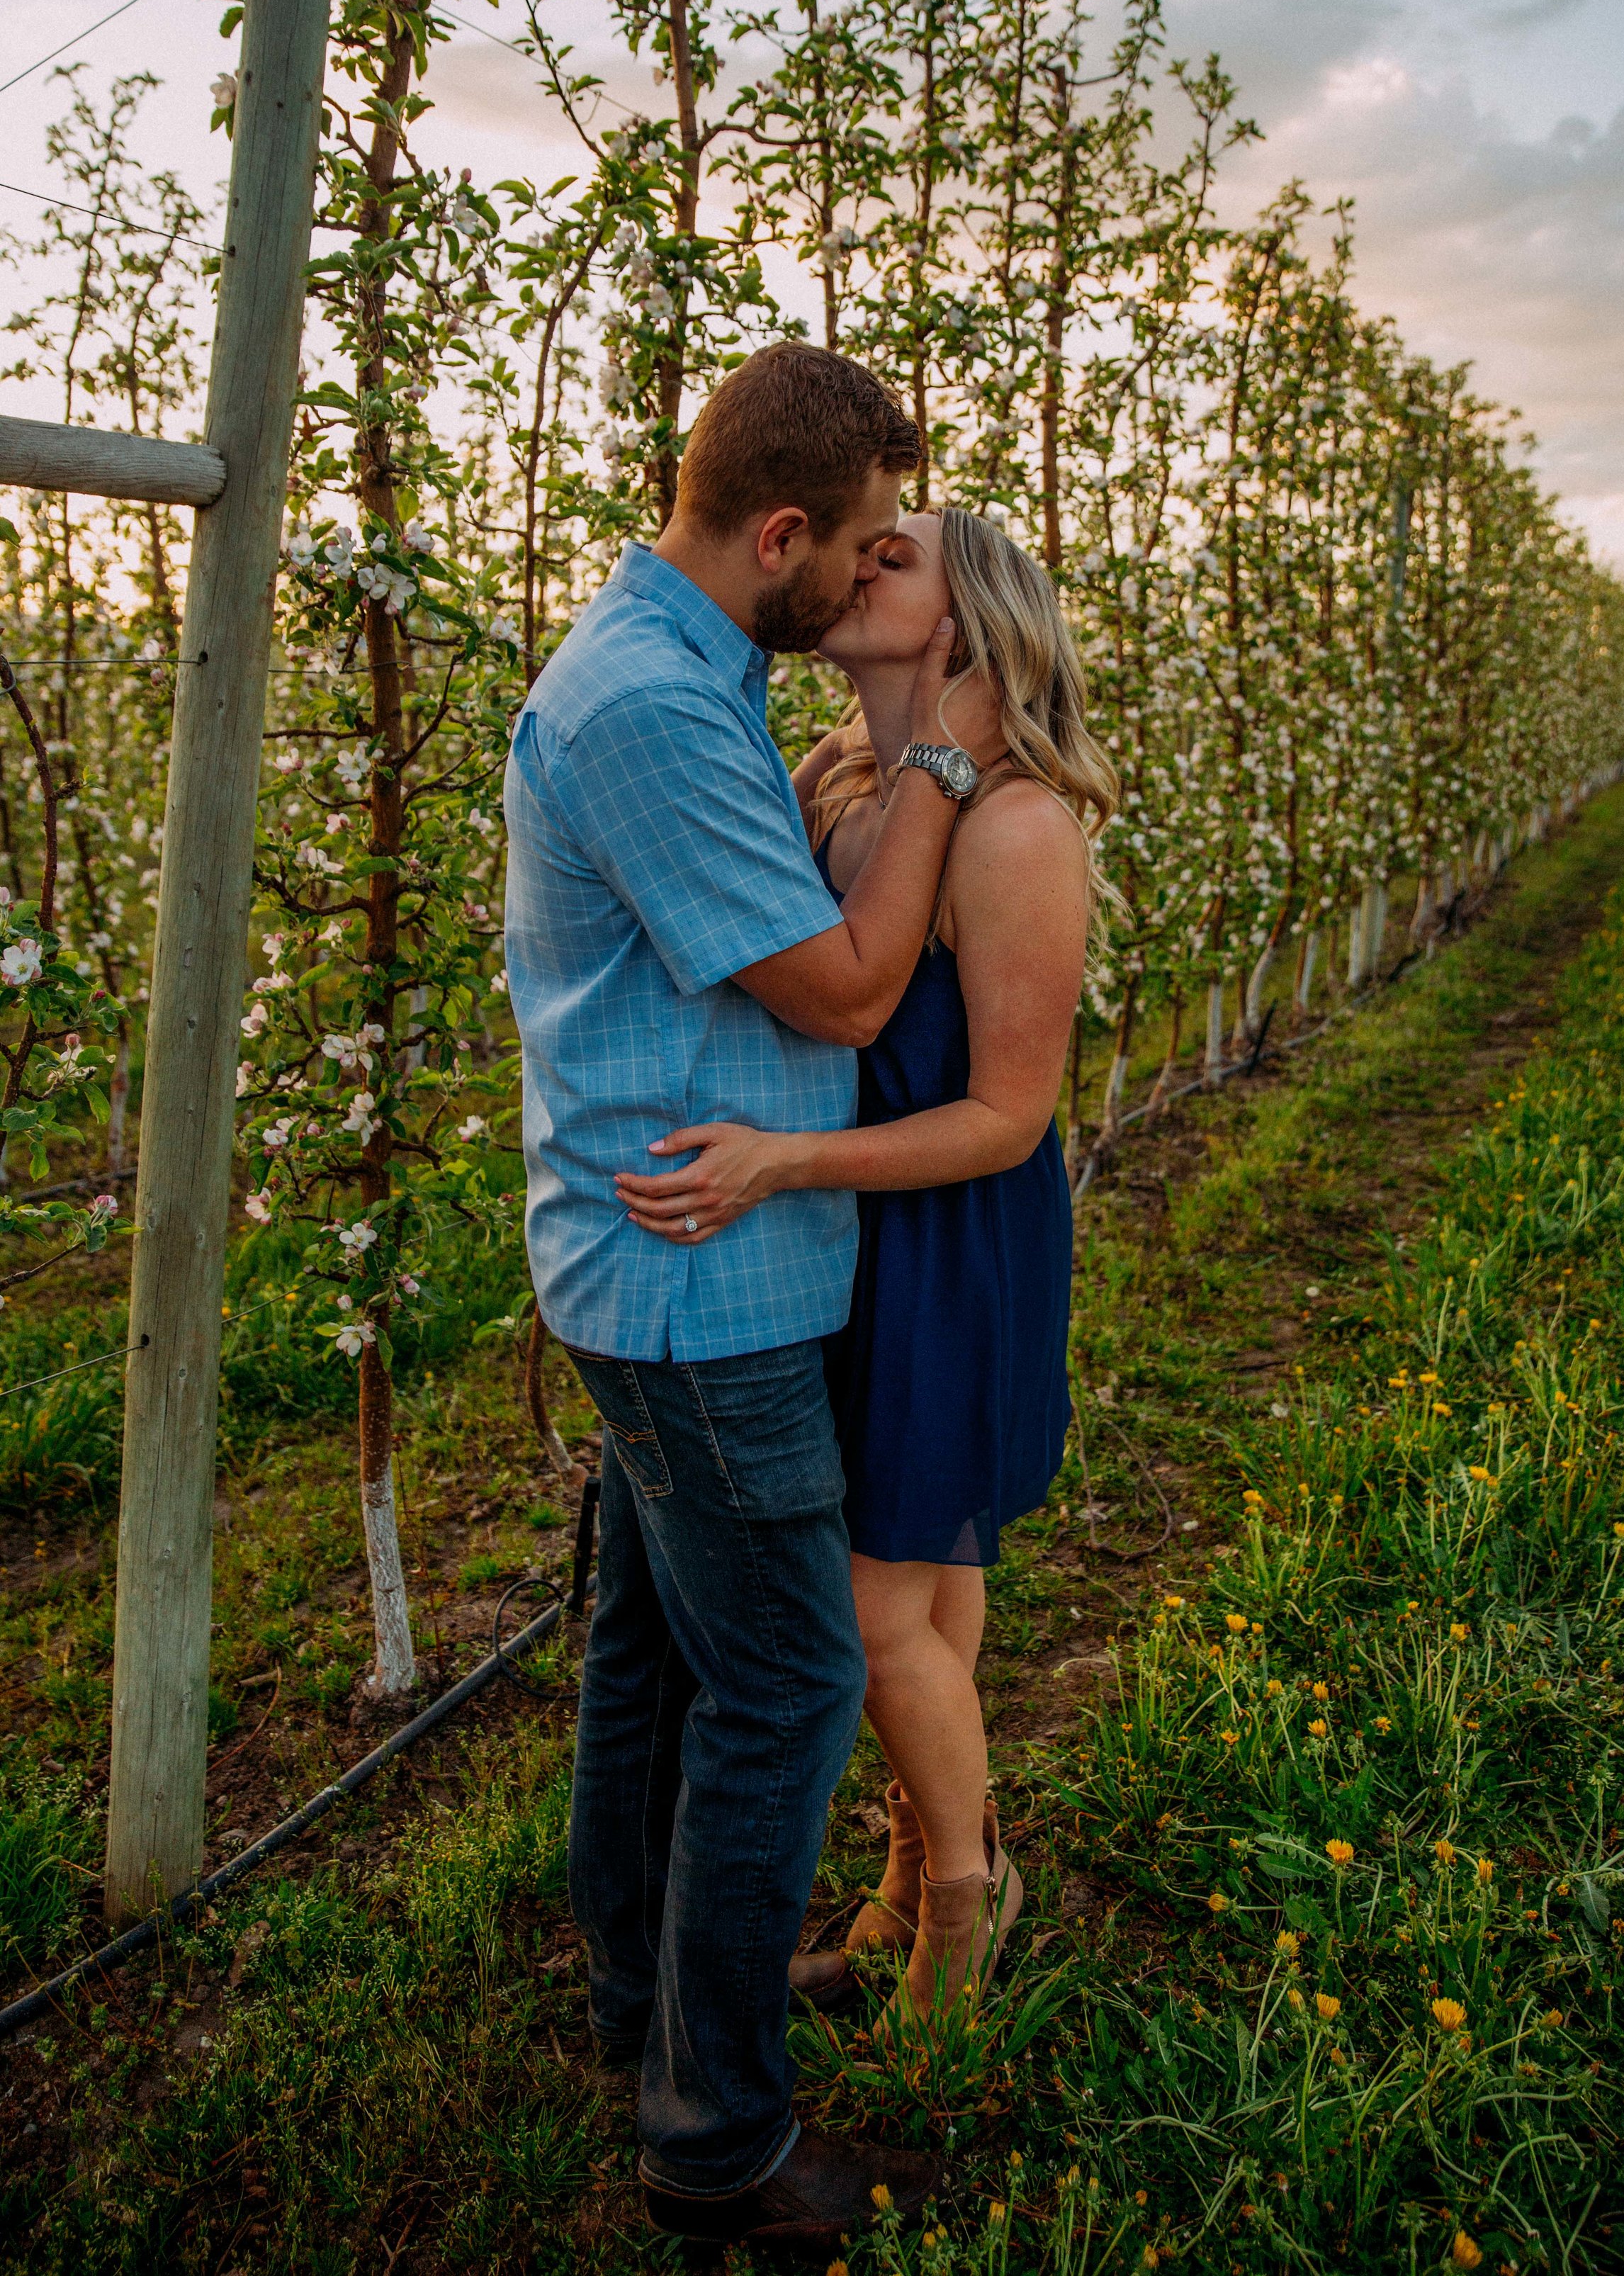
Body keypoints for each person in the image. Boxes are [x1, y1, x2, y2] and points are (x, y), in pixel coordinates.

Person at [502, 347, 996, 2256]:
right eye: (862, 542)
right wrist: (943, 757)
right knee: (786, 1679)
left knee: (653, 1653)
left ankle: (642, 2000)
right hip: (695, 1284)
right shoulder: (650, 700)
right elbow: (855, 991)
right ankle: (714, 2134)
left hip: (676, 1257)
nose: (874, 570)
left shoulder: (693, 680)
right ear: (779, 533)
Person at [616, 506, 1115, 2027]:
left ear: (957, 627)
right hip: (863, 1235)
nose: (849, 565)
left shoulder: (1017, 827)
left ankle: (964, 1907)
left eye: (890, 558)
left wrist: (783, 1162)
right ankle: (911, 1871)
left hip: (951, 1237)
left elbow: (1010, 1116)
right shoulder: (845, 787)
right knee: (928, 1569)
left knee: (866, 1602)